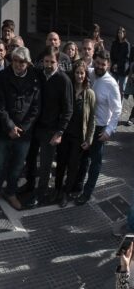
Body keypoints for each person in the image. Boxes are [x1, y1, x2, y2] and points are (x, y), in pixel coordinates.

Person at [0, 46, 41, 211]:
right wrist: (10, 126)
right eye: (15, 61)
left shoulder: (35, 78)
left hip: (24, 133)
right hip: (5, 130)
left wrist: (22, 129)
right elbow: (0, 105)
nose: (18, 64)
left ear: (28, 63)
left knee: (17, 166)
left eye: (22, 62)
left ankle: (11, 192)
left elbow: (36, 108)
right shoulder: (3, 76)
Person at [23, 47, 74, 208]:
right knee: (31, 159)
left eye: (52, 61)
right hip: (35, 127)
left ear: (58, 62)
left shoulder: (64, 80)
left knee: (45, 165)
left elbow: (68, 109)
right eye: (46, 61)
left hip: (51, 130)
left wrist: (60, 132)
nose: (49, 65)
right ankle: (30, 186)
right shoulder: (39, 74)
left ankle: (40, 194)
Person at [75, 50, 122, 205]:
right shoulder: (89, 73)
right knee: (83, 159)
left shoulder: (111, 84)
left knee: (95, 163)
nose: (100, 66)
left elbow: (117, 110)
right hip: (85, 125)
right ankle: (77, 186)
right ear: (94, 61)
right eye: (98, 63)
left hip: (100, 128)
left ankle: (87, 193)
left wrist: (109, 131)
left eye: (103, 64)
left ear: (108, 65)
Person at [54, 60, 95, 208]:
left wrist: (89, 139)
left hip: (78, 137)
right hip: (64, 135)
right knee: (61, 163)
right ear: (73, 74)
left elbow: (92, 118)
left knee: (73, 167)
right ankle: (57, 189)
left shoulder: (89, 94)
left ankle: (66, 192)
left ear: (85, 75)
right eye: (77, 73)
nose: (79, 76)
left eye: (82, 73)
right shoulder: (68, 89)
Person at [111, 26, 131, 98]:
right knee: (113, 86)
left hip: (123, 69)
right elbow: (111, 54)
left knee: (121, 88)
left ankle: (120, 103)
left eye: (121, 33)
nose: (120, 34)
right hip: (114, 68)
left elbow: (126, 58)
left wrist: (118, 65)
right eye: (119, 33)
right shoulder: (114, 43)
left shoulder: (127, 44)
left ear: (124, 34)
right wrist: (114, 64)